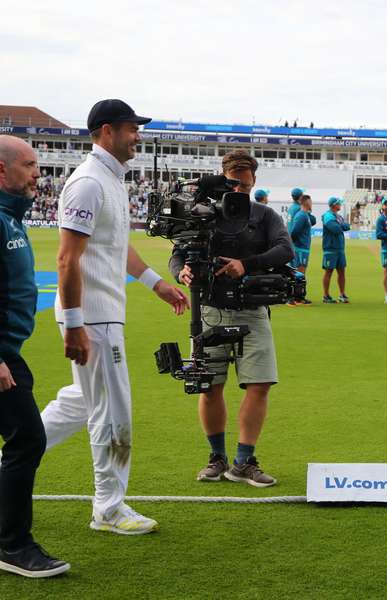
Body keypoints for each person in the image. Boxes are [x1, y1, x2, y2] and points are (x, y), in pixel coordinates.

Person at [42, 100, 189, 535]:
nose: (137, 136)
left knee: (82, 402)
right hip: (93, 317)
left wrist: (154, 283)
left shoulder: (110, 179)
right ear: (106, 131)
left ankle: (14, 456)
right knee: (113, 412)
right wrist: (74, 323)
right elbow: (68, 259)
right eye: (130, 128)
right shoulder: (88, 182)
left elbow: (115, 245)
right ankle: (108, 508)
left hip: (102, 314)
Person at [170, 149, 293, 486]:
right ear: (222, 177)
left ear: (254, 183)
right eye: (234, 185)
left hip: (252, 308)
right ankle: (216, 458)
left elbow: (286, 250)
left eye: (246, 187)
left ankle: (243, 460)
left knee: (260, 384)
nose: (239, 192)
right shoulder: (201, 214)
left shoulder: (265, 214)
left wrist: (246, 265)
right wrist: (181, 273)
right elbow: (177, 254)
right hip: (208, 309)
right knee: (209, 387)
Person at [0, 135, 70, 577]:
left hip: (8, 352)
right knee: (27, 438)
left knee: (25, 437)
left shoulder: (11, 217)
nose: (38, 175)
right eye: (29, 165)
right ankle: (12, 545)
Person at [321, 196, 350, 303]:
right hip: (330, 248)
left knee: (342, 271)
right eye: (339, 203)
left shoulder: (338, 216)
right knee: (328, 271)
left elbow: (347, 226)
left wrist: (341, 225)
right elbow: (335, 229)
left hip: (340, 248)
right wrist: (341, 225)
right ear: (334, 205)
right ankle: (326, 295)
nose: (340, 205)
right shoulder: (328, 216)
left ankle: (342, 294)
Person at [288, 193, 314, 304]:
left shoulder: (305, 214)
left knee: (301, 272)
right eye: (311, 201)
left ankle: (299, 296)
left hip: (303, 248)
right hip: (300, 248)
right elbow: (294, 232)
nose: (312, 203)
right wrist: (296, 245)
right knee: (299, 272)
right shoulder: (301, 215)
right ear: (307, 202)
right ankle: (294, 297)